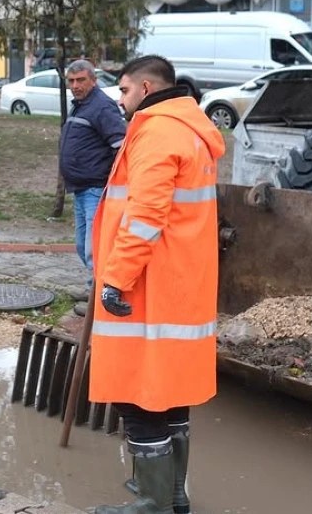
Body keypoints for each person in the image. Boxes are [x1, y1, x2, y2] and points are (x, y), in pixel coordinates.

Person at [90, 55, 224, 514]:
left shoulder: (157, 133)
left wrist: (115, 279)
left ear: (146, 88)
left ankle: (153, 502)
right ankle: (173, 493)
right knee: (170, 391)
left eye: (124, 90)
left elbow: (144, 217)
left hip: (147, 287)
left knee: (138, 393)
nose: (120, 99)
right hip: (179, 284)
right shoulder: (190, 130)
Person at [58, 59, 125, 302]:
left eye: (81, 80)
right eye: (71, 81)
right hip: (81, 189)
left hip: (96, 189)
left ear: (93, 80)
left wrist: (115, 184)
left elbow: (120, 145)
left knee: (94, 249)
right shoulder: (81, 105)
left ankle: (100, 299)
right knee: (82, 246)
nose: (75, 85)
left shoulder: (102, 107)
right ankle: (92, 287)